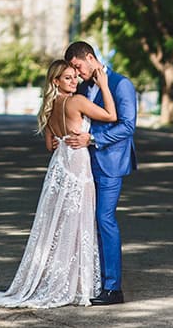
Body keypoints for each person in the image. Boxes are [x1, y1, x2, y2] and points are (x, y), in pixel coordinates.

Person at [0, 58, 117, 309]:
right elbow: (111, 116)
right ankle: (78, 285)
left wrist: (62, 137)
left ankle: (63, 279)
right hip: (77, 164)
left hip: (59, 165)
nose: (74, 80)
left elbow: (50, 145)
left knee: (57, 222)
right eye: (67, 77)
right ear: (55, 81)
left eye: (74, 76)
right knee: (78, 222)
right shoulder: (77, 101)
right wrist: (104, 85)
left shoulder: (49, 105)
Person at [64, 40, 137, 306]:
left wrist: (92, 138)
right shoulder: (82, 87)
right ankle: (91, 280)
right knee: (86, 220)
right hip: (83, 164)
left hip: (110, 163)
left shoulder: (121, 84)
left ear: (91, 58)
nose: (76, 71)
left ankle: (113, 288)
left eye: (77, 65)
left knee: (105, 219)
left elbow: (128, 126)